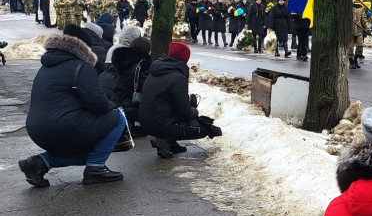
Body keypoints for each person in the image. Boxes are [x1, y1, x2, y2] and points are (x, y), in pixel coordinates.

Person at [18, 26, 127, 187]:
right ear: (84, 48)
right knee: (117, 119)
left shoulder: (46, 65)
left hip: (36, 128)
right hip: (61, 126)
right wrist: (113, 106)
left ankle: (40, 162)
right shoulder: (81, 66)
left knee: (91, 150)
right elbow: (98, 103)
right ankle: (96, 168)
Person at [139, 42, 220, 157]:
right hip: (160, 124)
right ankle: (165, 142)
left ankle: (170, 142)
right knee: (203, 128)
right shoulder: (177, 77)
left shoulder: (156, 70)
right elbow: (185, 112)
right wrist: (194, 108)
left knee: (184, 121)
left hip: (146, 122)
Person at [349, 0, 367, 69]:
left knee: (360, 46)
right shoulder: (350, 7)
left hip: (359, 30)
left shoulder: (361, 8)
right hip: (350, 31)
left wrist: (366, 28)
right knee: (350, 47)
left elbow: (364, 19)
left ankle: (355, 60)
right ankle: (351, 62)